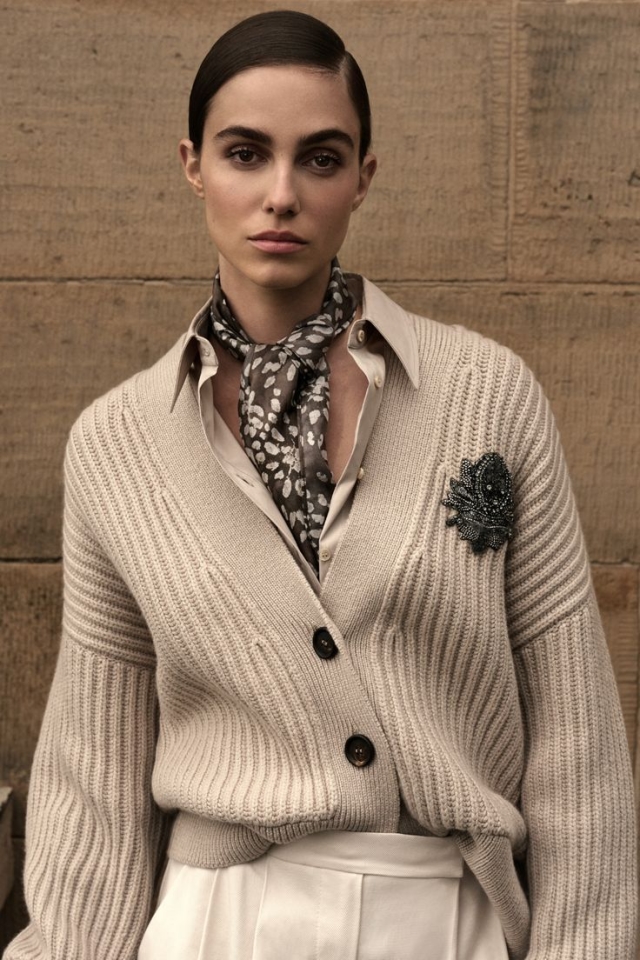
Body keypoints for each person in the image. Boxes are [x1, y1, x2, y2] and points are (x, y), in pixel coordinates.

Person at [5, 10, 636, 960]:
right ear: (193, 166)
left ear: (363, 177)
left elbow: (575, 736)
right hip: (216, 923)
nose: (282, 195)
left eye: (321, 158)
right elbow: (95, 774)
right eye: (245, 154)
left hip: (447, 916)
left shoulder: (487, 396)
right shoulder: (116, 445)